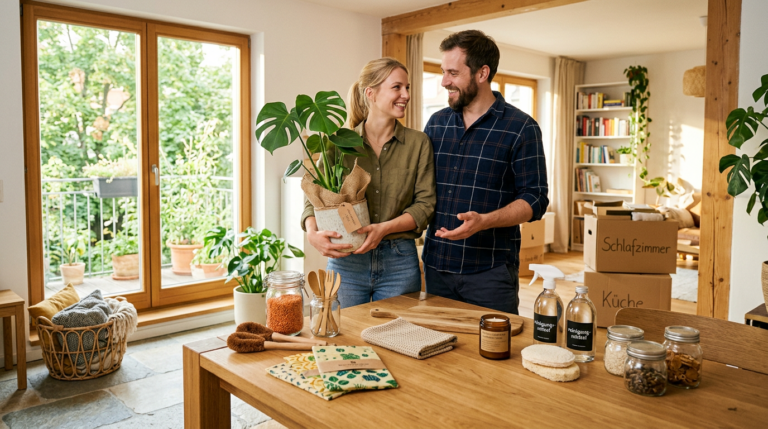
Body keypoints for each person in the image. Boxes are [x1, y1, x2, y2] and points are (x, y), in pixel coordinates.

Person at [422, 30, 549, 315]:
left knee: (494, 355)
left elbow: (536, 198)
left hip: (489, 273)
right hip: (435, 266)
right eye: (443, 72)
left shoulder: (521, 128)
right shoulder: (436, 123)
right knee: (436, 356)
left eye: (453, 73)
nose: (444, 82)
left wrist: (485, 221)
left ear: (482, 73)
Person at [301, 58, 436, 309]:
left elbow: (425, 205)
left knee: (398, 339)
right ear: (370, 93)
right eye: (397, 87)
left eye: (407, 88)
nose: (405, 95)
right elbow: (313, 197)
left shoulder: (419, 143)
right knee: (340, 339)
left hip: (399, 260)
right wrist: (312, 234)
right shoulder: (338, 143)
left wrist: (383, 229)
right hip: (346, 261)